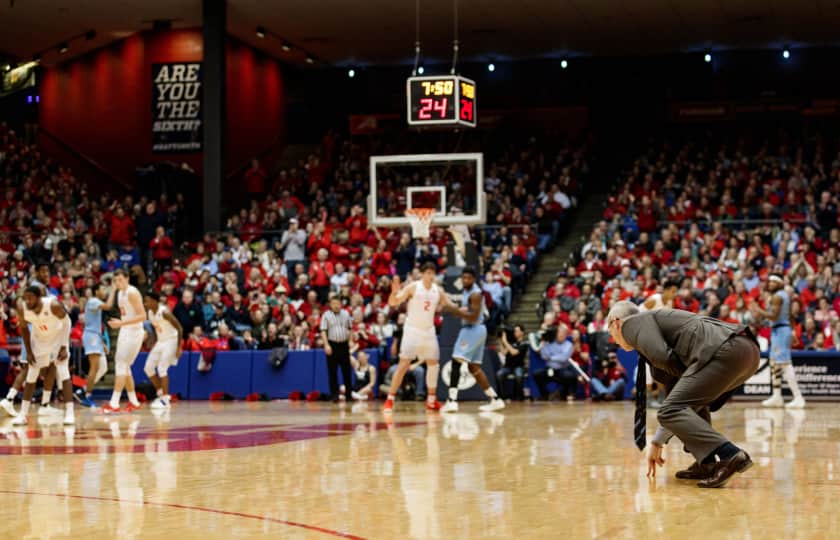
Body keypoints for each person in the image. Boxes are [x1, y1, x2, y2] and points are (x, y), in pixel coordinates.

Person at [607, 301, 759, 488]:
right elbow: (680, 396)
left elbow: (663, 358)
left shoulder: (632, 324)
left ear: (616, 323)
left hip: (727, 349)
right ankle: (707, 462)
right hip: (746, 351)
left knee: (670, 410)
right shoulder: (655, 332)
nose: (614, 340)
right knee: (687, 406)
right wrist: (657, 442)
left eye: (611, 333)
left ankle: (730, 455)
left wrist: (688, 378)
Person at [439, 267, 505, 413]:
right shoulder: (469, 292)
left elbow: (474, 317)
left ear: (474, 279)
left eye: (468, 278)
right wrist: (463, 311)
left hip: (472, 329)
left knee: (456, 362)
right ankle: (495, 399)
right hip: (479, 330)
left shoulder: (475, 294)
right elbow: (484, 314)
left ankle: (452, 401)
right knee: (473, 367)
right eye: (464, 278)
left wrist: (454, 311)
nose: (465, 280)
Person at [383, 262, 443, 413]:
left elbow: (447, 304)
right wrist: (393, 293)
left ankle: (431, 400)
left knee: (434, 364)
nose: (431, 276)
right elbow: (393, 302)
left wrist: (460, 310)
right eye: (428, 273)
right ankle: (390, 399)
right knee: (403, 365)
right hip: (412, 330)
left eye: (433, 273)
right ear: (422, 274)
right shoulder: (413, 287)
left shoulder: (437, 290)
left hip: (428, 331)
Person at [12, 286, 74, 426]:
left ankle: (70, 413)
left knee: (63, 372)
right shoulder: (22, 308)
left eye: (30, 298)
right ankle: (23, 414)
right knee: (31, 375)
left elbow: (67, 322)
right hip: (39, 340)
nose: (27, 301)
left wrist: (64, 346)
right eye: (25, 298)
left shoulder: (53, 305)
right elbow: (23, 329)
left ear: (39, 297)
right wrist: (28, 352)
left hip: (57, 338)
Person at [751, 274, 806, 409]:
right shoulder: (782, 296)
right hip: (780, 330)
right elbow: (790, 316)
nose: (770, 284)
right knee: (774, 363)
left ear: (780, 283)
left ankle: (798, 397)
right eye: (769, 282)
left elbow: (774, 317)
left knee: (785, 364)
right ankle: (777, 396)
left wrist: (758, 309)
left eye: (773, 282)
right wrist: (792, 332)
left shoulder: (777, 297)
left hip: (781, 331)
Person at [103, 268, 147, 413]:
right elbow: (109, 306)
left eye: (120, 280)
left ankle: (114, 403)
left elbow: (143, 316)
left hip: (133, 332)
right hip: (126, 330)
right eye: (115, 280)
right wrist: (113, 290)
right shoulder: (120, 292)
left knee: (121, 364)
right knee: (125, 366)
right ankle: (133, 401)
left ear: (127, 279)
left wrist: (121, 323)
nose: (118, 283)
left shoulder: (132, 293)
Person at [144, 292, 184, 410]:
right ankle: (161, 394)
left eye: (147, 301)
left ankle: (165, 400)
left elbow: (179, 328)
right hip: (161, 341)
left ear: (154, 301)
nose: (145, 303)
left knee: (162, 368)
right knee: (148, 368)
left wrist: (179, 347)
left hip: (171, 340)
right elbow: (155, 327)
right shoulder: (150, 313)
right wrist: (153, 339)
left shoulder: (164, 312)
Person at [77, 284, 114, 407]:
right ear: (96, 291)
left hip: (96, 336)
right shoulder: (93, 301)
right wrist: (113, 290)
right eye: (103, 289)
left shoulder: (95, 302)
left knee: (103, 367)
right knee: (94, 367)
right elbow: (108, 306)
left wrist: (102, 342)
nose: (105, 291)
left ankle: (82, 390)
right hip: (91, 336)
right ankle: (86, 395)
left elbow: (96, 324)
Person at [320, 294, 353, 402]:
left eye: (338, 303)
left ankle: (348, 395)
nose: (336, 306)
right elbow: (323, 331)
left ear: (341, 304)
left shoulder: (346, 314)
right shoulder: (326, 315)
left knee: (347, 371)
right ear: (330, 304)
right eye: (334, 303)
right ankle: (334, 395)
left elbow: (350, 328)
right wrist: (326, 345)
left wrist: (350, 341)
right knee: (332, 372)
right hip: (332, 345)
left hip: (344, 345)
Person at [534, 325, 579, 401]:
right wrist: (543, 344)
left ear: (566, 335)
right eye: (559, 333)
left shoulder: (569, 345)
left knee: (572, 376)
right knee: (537, 374)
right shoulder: (548, 343)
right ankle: (545, 394)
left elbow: (564, 358)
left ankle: (570, 394)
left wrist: (551, 357)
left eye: (563, 333)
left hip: (562, 370)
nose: (561, 335)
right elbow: (544, 356)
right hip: (549, 369)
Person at [496, 324, 529, 400]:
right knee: (499, 374)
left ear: (522, 332)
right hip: (508, 366)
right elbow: (504, 353)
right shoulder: (510, 342)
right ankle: (502, 396)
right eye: (514, 331)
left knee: (519, 376)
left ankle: (519, 397)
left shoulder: (524, 343)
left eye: (517, 331)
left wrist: (505, 341)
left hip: (519, 366)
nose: (515, 332)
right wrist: (501, 341)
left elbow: (514, 352)